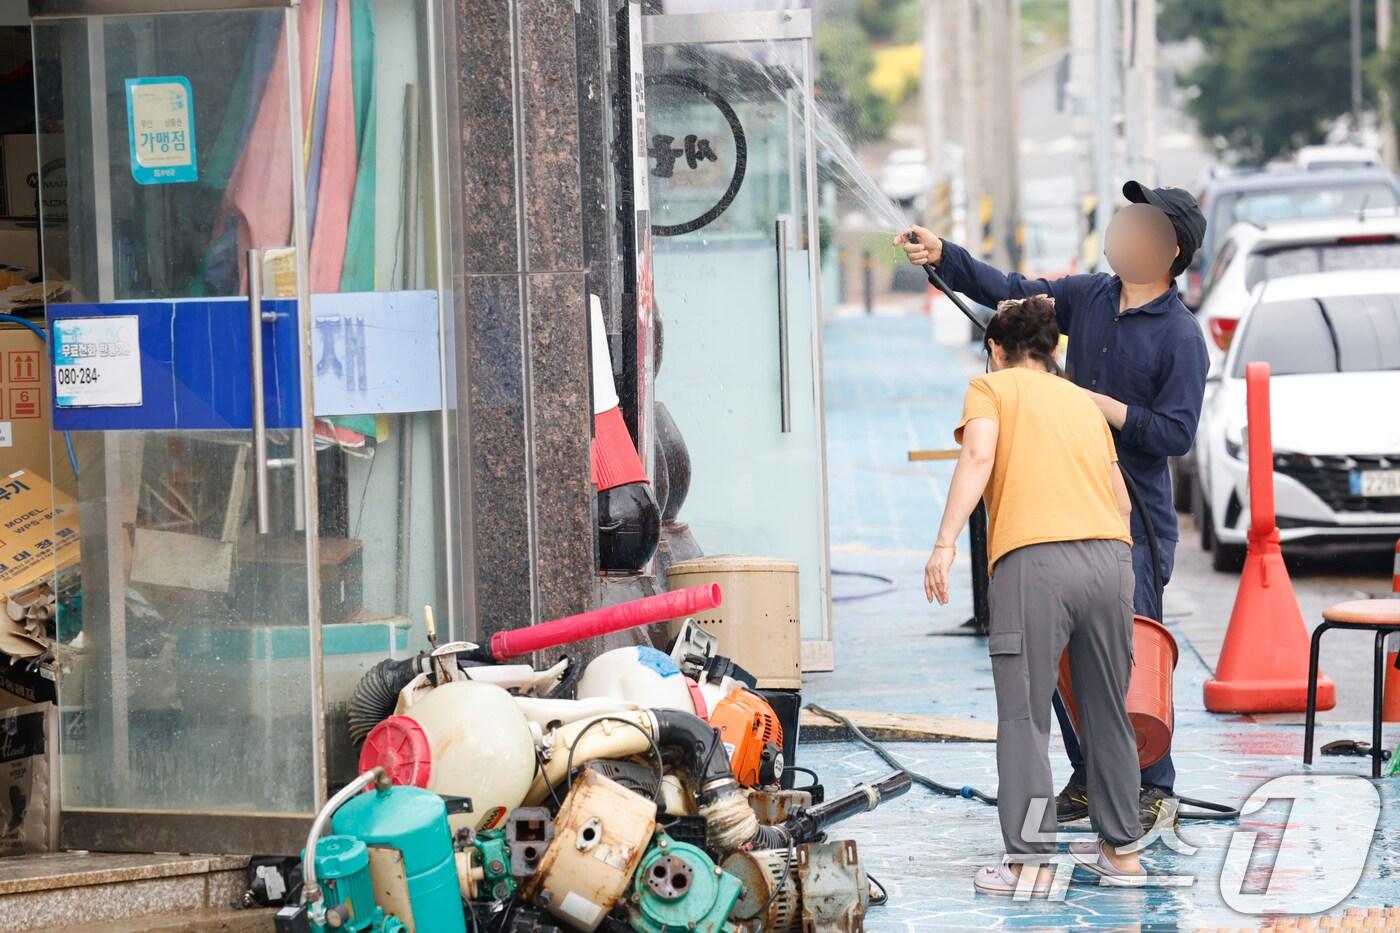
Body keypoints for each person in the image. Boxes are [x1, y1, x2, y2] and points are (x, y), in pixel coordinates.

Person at [898, 181, 1208, 830]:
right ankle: (1089, 777)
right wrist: (943, 256)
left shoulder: (1181, 337)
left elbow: (1174, 435)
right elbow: (1010, 290)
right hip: (1065, 504)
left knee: (1129, 655)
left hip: (1135, 526)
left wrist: (1091, 404)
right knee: (1069, 656)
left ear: (1170, 248)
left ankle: (1155, 783)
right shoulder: (1088, 295)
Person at [926, 295, 1145, 895]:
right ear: (1054, 349)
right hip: (1109, 557)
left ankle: (1029, 861)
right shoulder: (1081, 400)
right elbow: (1120, 498)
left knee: (1024, 716)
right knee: (1107, 711)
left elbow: (978, 455)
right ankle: (1124, 855)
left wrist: (945, 543)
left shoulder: (991, 389)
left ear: (997, 350)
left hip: (1033, 561)